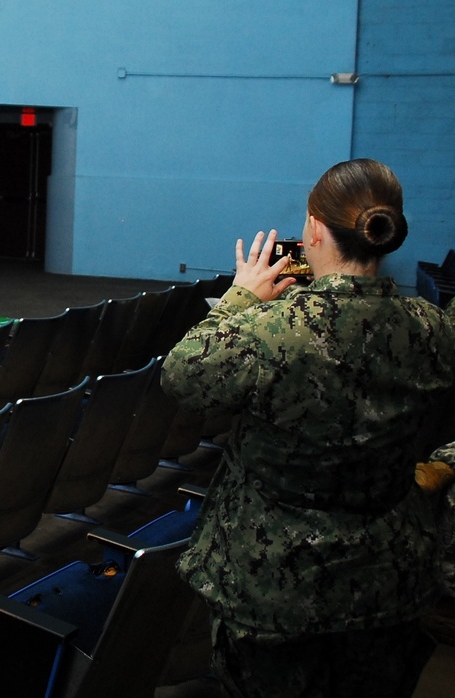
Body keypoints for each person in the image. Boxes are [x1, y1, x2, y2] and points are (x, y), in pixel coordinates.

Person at [161, 158, 455, 697]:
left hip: (274, 589)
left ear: (315, 229)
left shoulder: (269, 333)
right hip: (389, 582)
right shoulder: (433, 328)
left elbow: (183, 376)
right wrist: (444, 463)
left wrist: (241, 297)